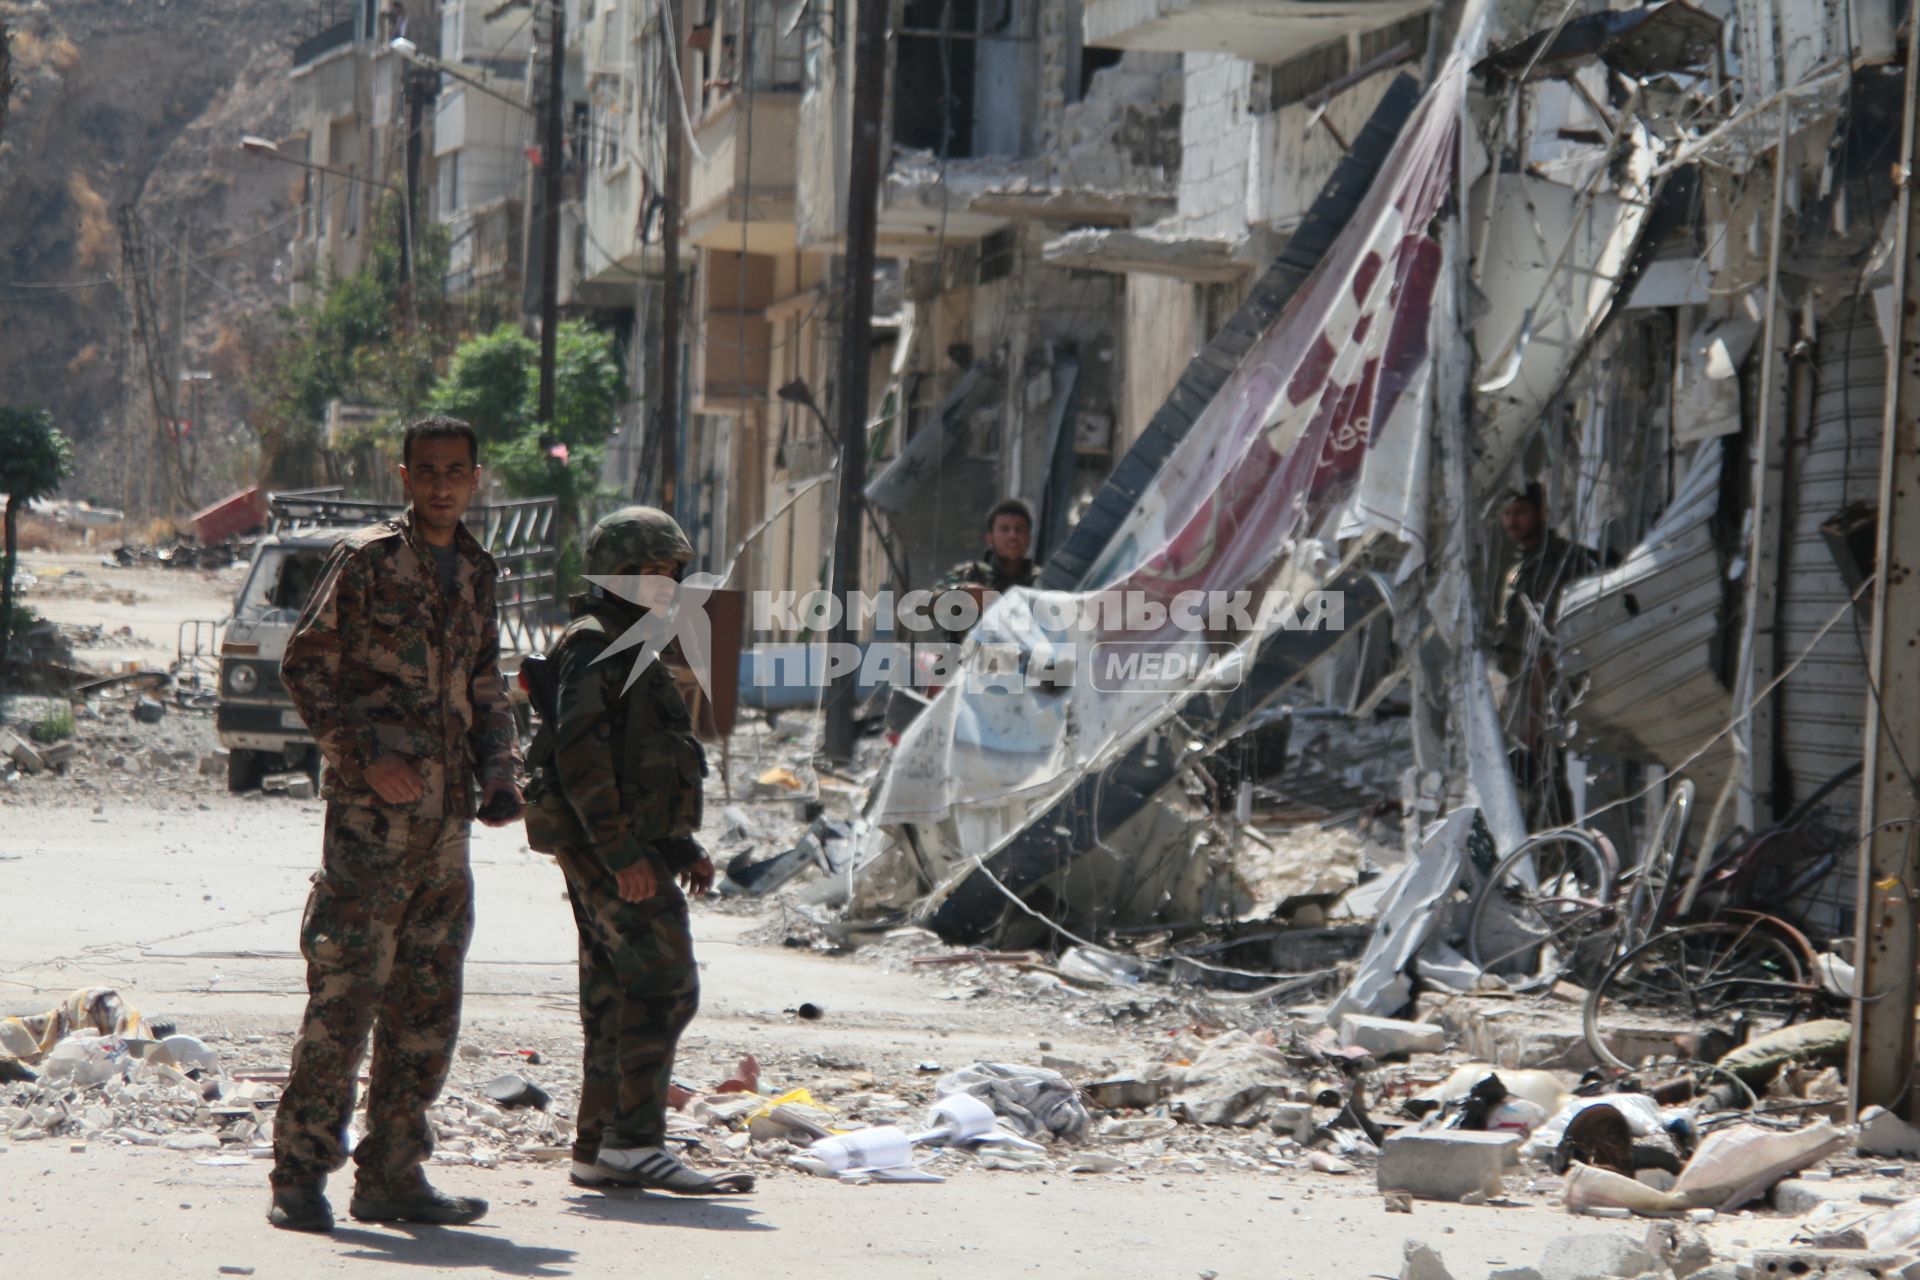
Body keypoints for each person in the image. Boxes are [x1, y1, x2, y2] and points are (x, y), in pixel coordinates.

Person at [267, 415, 524, 1233]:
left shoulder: (479, 571)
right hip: (371, 830)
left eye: (457, 470)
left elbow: (487, 682)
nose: (443, 483)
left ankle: (393, 1174)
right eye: (428, 470)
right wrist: (361, 755)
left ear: (476, 478)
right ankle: (299, 1175)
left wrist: (500, 773)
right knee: (344, 1001)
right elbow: (305, 664)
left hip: (446, 834)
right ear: (404, 476)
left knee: (425, 1009)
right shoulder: (370, 561)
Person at [522, 507, 754, 1195]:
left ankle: (600, 1147)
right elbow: (582, 758)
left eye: (671, 571)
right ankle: (632, 1141)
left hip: (627, 841)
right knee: (663, 983)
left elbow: (649, 757)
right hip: (606, 846)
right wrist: (624, 855)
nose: (665, 583)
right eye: (649, 571)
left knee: (613, 995)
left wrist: (680, 845)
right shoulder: (597, 642)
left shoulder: (636, 641)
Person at [1493, 482, 1600, 830]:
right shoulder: (1520, 569)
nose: (1512, 522)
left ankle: (1561, 859)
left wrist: (1534, 711)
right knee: (1528, 779)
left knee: (1545, 781)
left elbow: (1550, 643)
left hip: (1550, 694)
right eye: (1507, 514)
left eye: (1520, 512)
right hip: (1522, 692)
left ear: (1542, 513)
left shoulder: (1562, 563)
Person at [929, 497, 1039, 644]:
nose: (1013, 536)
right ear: (990, 538)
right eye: (1004, 529)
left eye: (1019, 530)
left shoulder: (1041, 582)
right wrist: (963, 593)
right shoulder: (970, 575)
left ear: (1029, 538)